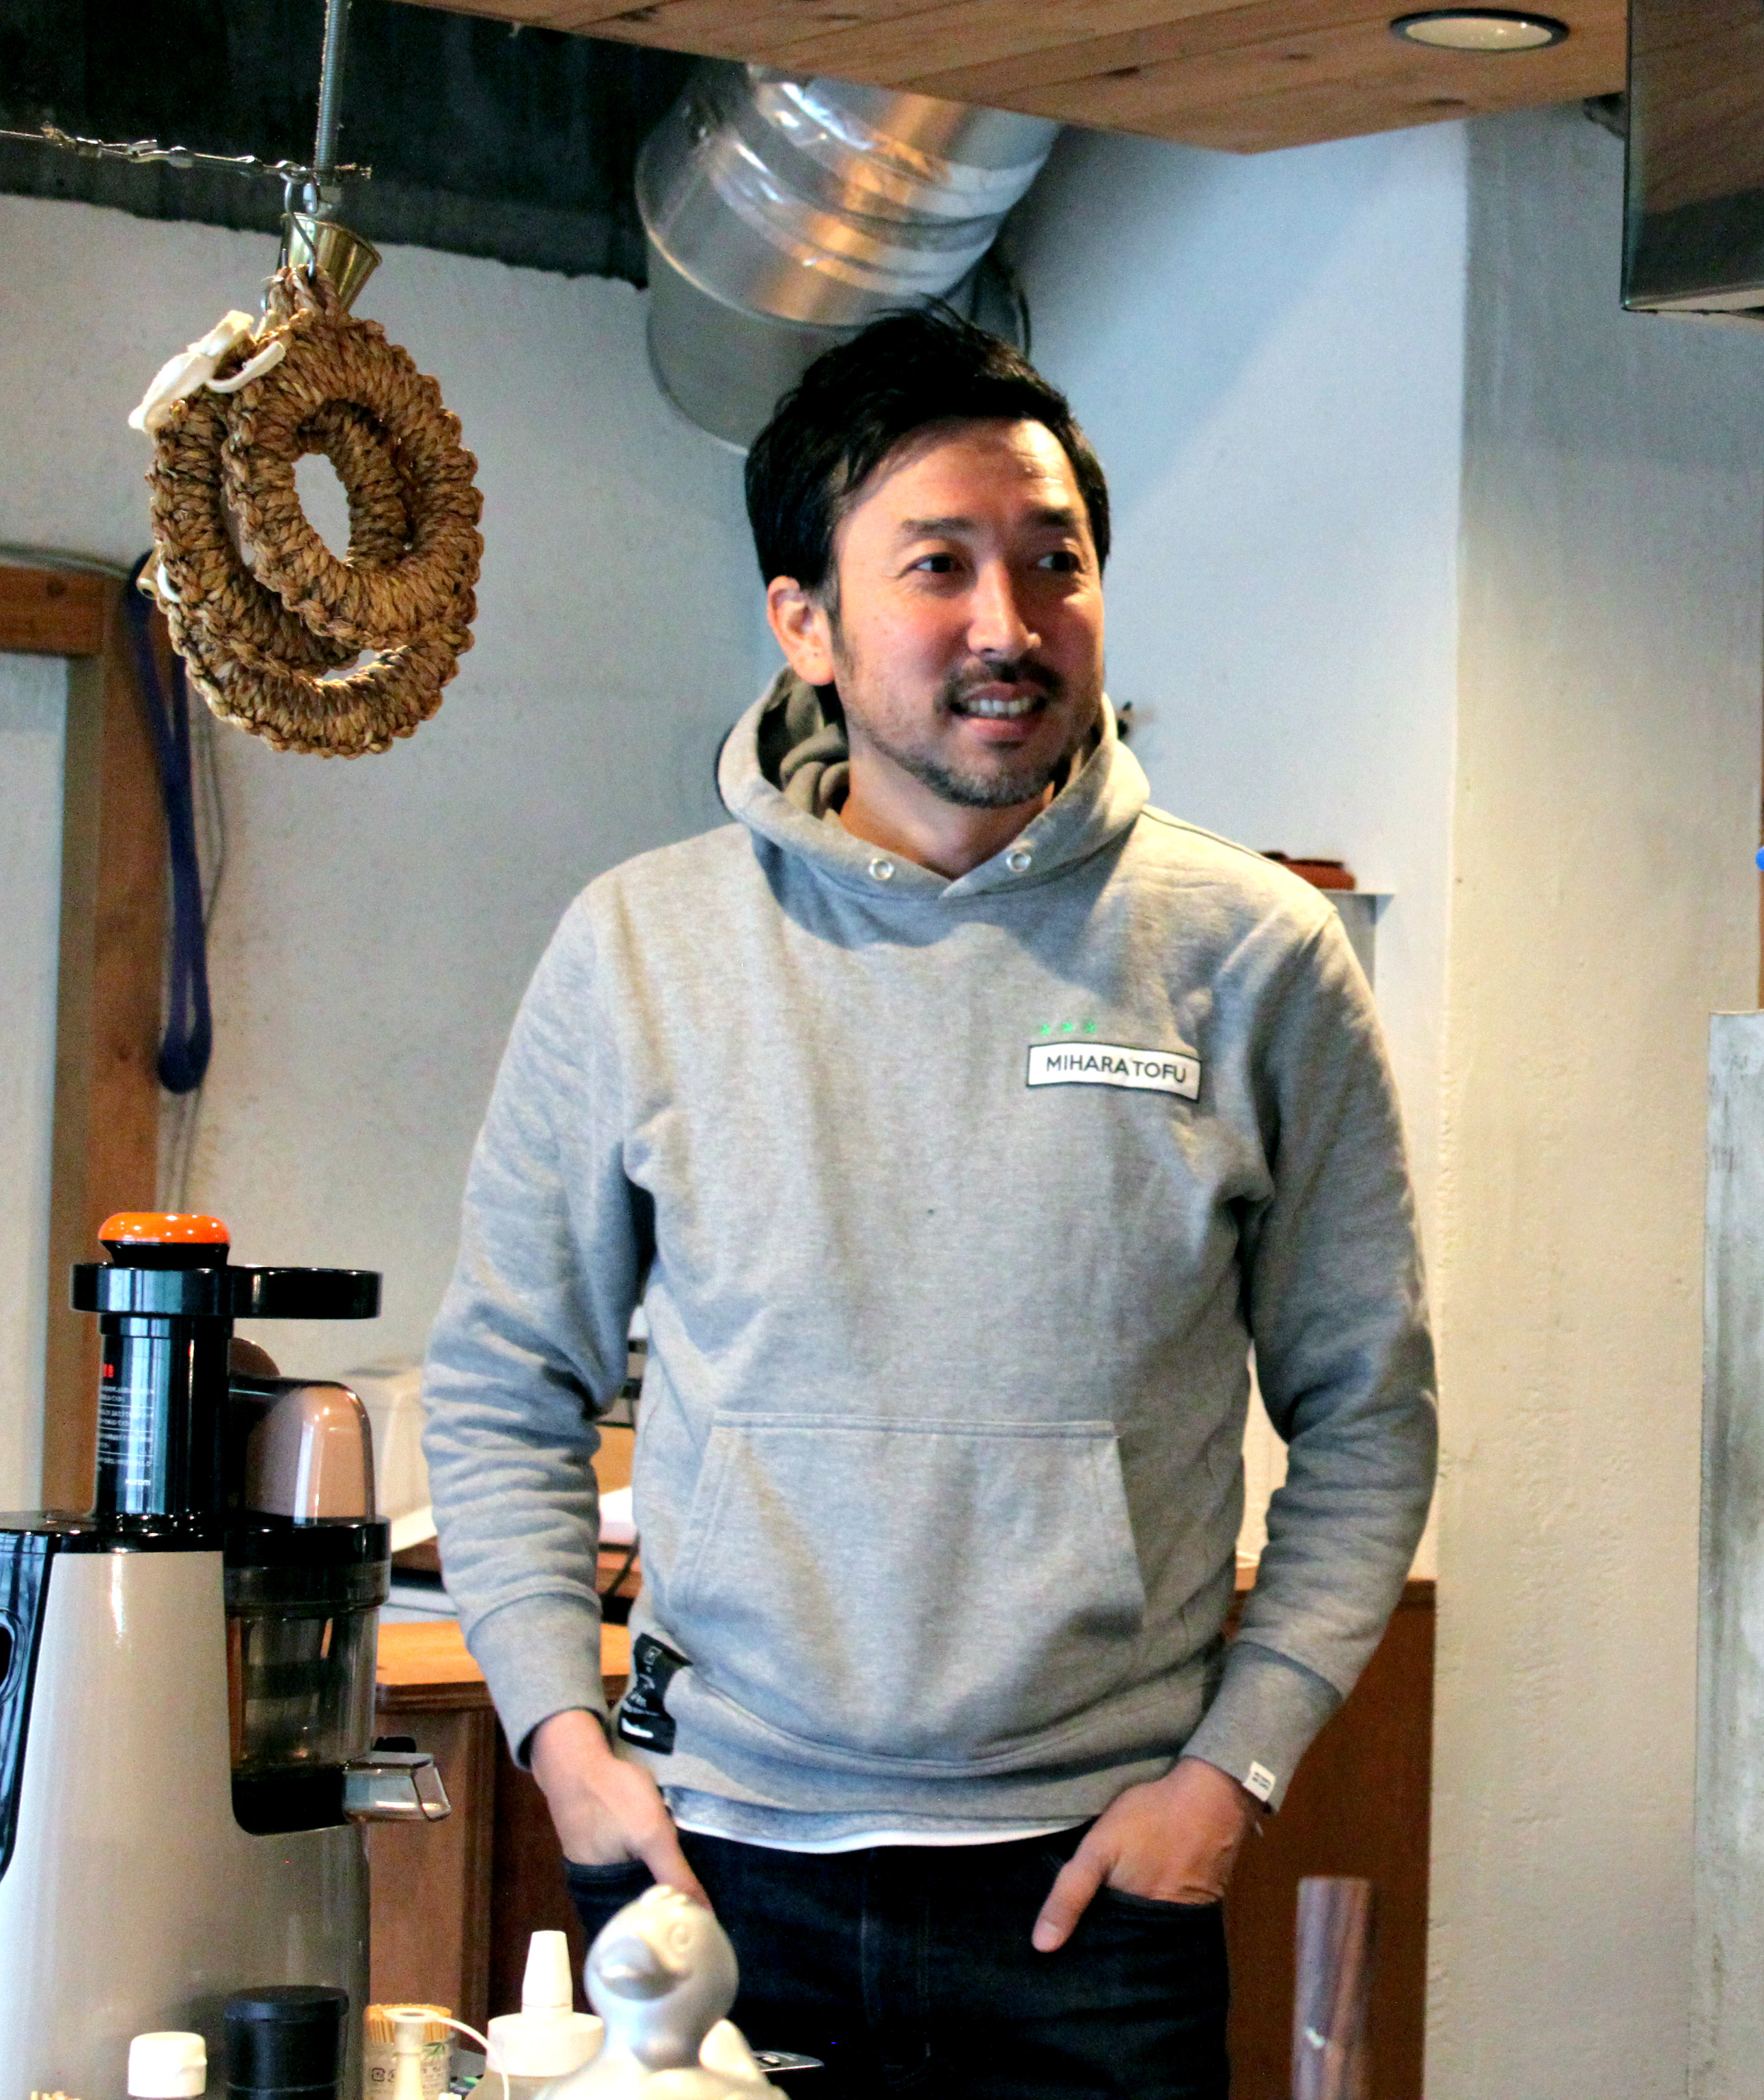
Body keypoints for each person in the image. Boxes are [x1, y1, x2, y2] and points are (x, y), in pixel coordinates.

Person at [420, 308, 1437, 2098]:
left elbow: (1370, 1415)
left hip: (1094, 1900)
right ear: (804, 621)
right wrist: (565, 1744)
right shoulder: (639, 949)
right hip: (714, 1878)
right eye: (939, 565)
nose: (1009, 624)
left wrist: (1236, 1772)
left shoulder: (1255, 956)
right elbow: (507, 1382)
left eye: (1055, 562)